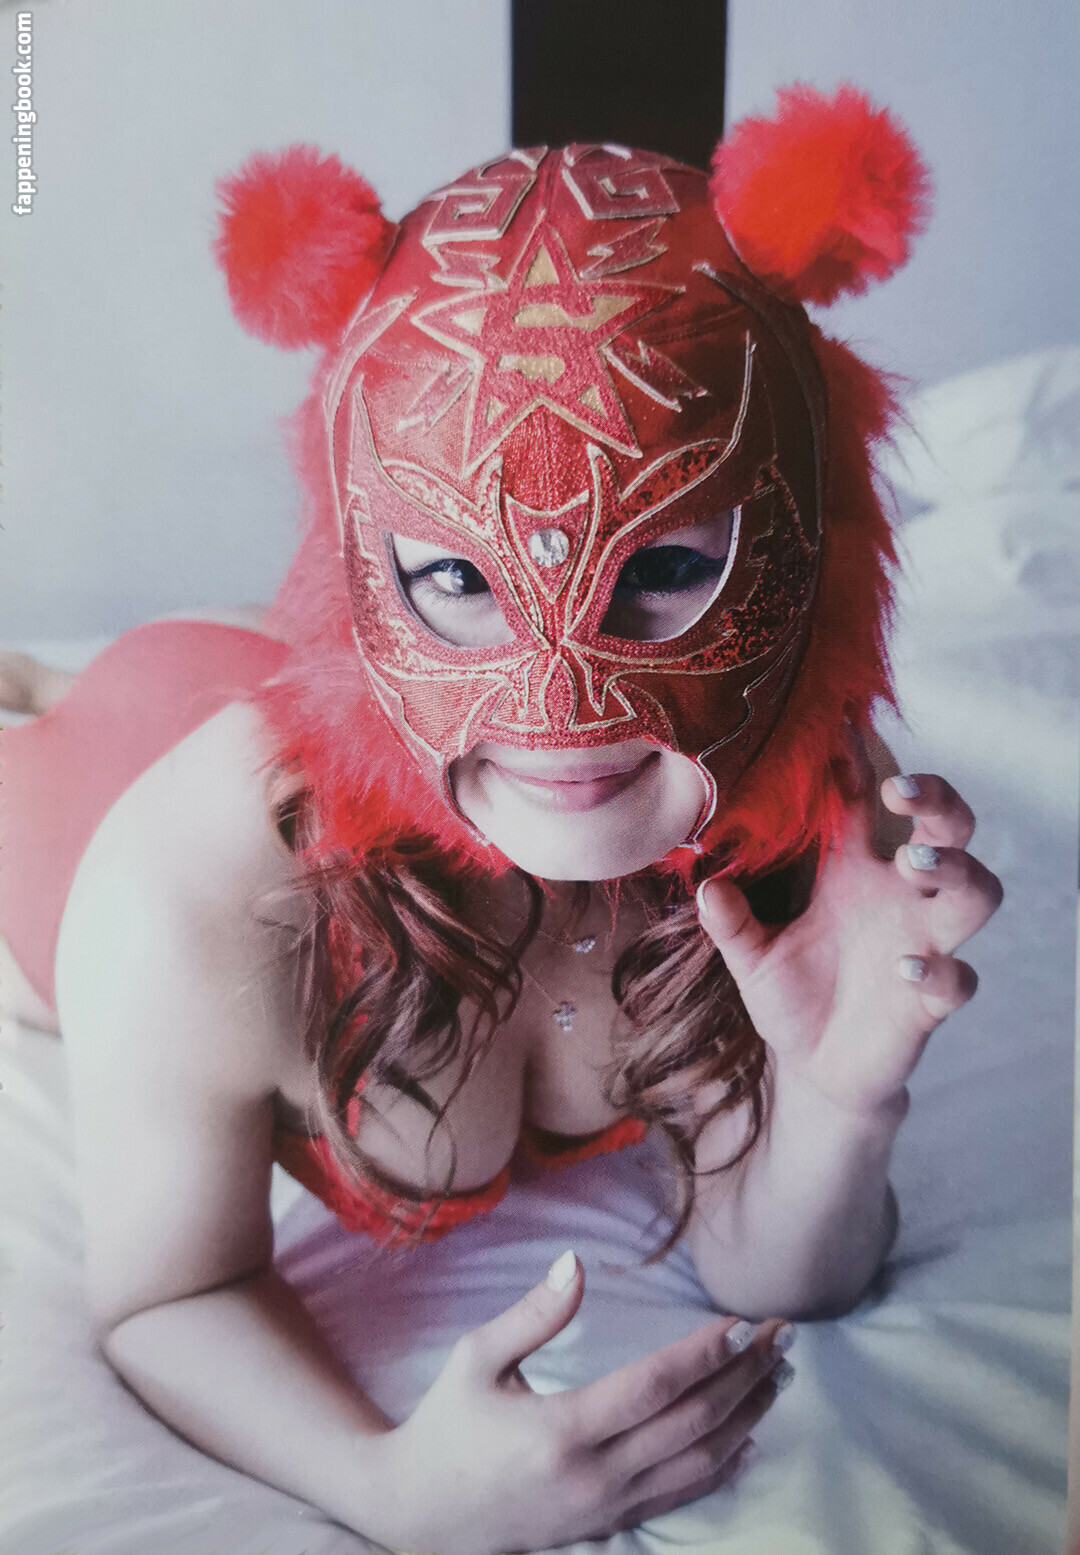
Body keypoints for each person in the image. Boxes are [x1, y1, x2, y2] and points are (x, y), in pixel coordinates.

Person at [0, 84, 1003, 1554]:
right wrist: (384, 1485)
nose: (564, 706)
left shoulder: (785, 787)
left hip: (353, 711)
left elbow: (779, 1267)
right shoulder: (195, 887)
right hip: (97, 797)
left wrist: (843, 1091)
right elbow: (164, 1297)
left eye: (667, 565)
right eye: (459, 580)